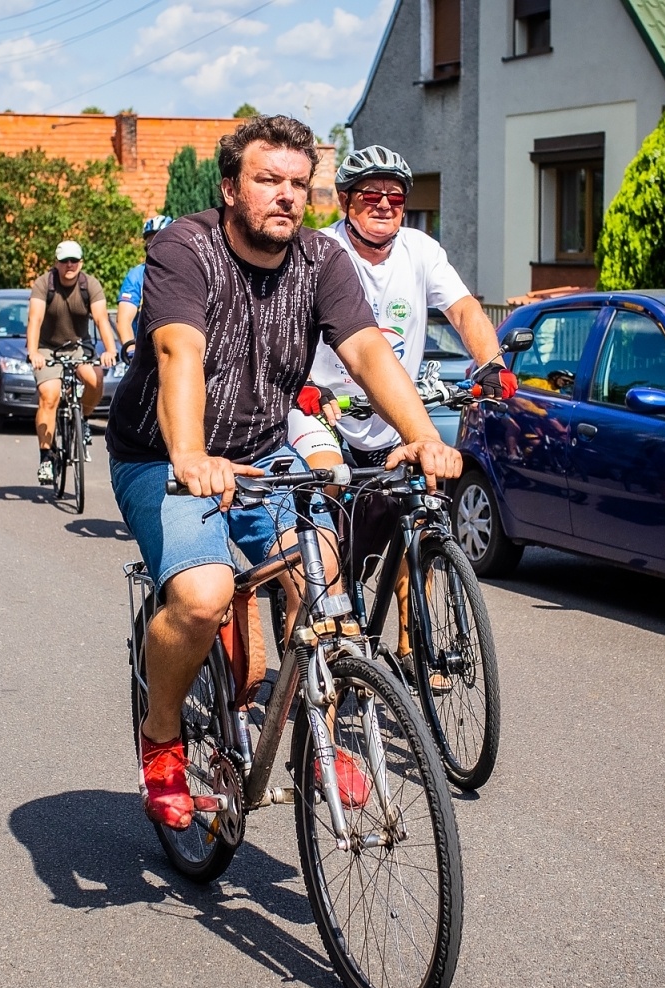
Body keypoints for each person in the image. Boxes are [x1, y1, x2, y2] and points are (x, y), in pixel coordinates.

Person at [106, 114, 460, 829]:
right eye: (269, 180)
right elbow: (180, 353)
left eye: (300, 183)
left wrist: (422, 436)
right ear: (232, 188)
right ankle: (164, 738)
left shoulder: (320, 262)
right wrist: (188, 455)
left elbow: (367, 352)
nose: (287, 196)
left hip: (265, 449)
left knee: (325, 590)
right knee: (204, 597)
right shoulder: (186, 249)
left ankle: (319, 739)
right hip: (160, 453)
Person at [285, 145, 511, 685]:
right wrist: (303, 386)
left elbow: (463, 310)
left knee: (423, 506)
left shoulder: (421, 250)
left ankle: (416, 646)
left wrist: (493, 362)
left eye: (395, 197)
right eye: (371, 195)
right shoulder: (318, 251)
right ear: (344, 201)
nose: (385, 205)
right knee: (327, 484)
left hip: (393, 415)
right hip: (324, 407)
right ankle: (330, 626)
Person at [27, 240, 117, 485]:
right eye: (65, 261)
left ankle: (84, 420)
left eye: (74, 261)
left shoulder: (90, 285)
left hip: (79, 346)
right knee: (50, 395)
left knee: (94, 379)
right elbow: (34, 319)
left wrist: (110, 349)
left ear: (81, 263)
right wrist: (33, 351)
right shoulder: (44, 284)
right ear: (56, 263)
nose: (70, 265)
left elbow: (101, 320)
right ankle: (46, 456)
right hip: (47, 348)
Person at [115, 215, 172, 358]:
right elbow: (124, 321)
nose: (155, 251)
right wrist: (131, 351)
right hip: (145, 353)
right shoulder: (136, 275)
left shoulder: (188, 272)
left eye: (161, 244)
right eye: (150, 246)